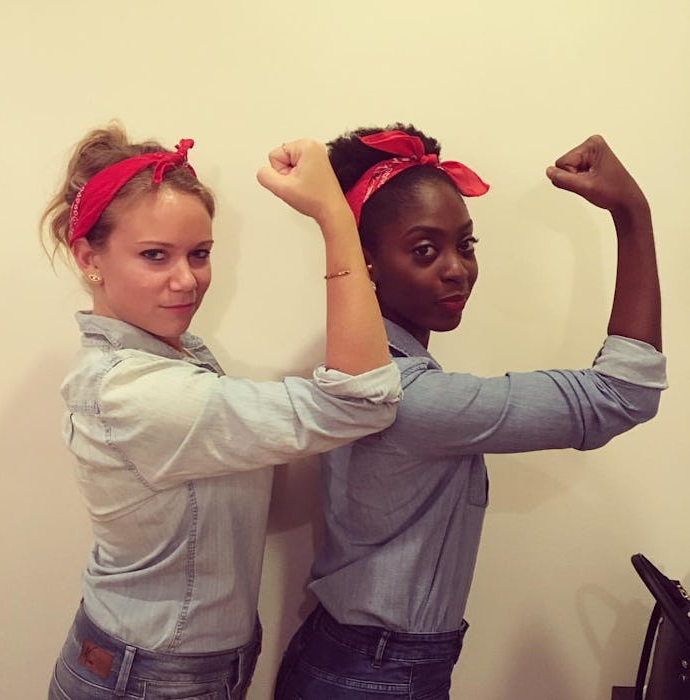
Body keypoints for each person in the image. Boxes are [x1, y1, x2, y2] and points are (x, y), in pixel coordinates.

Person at [273, 125, 667, 699]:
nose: (457, 268)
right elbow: (624, 393)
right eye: (425, 250)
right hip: (377, 676)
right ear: (367, 263)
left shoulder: (360, 374)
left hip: (353, 661)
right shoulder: (411, 401)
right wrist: (633, 213)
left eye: (467, 244)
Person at [42, 124, 402, 700]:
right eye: (154, 256)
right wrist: (335, 217)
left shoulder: (170, 354)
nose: (187, 281)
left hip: (157, 660)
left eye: (200, 254)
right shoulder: (135, 391)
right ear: (89, 256)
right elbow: (363, 403)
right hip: (153, 676)